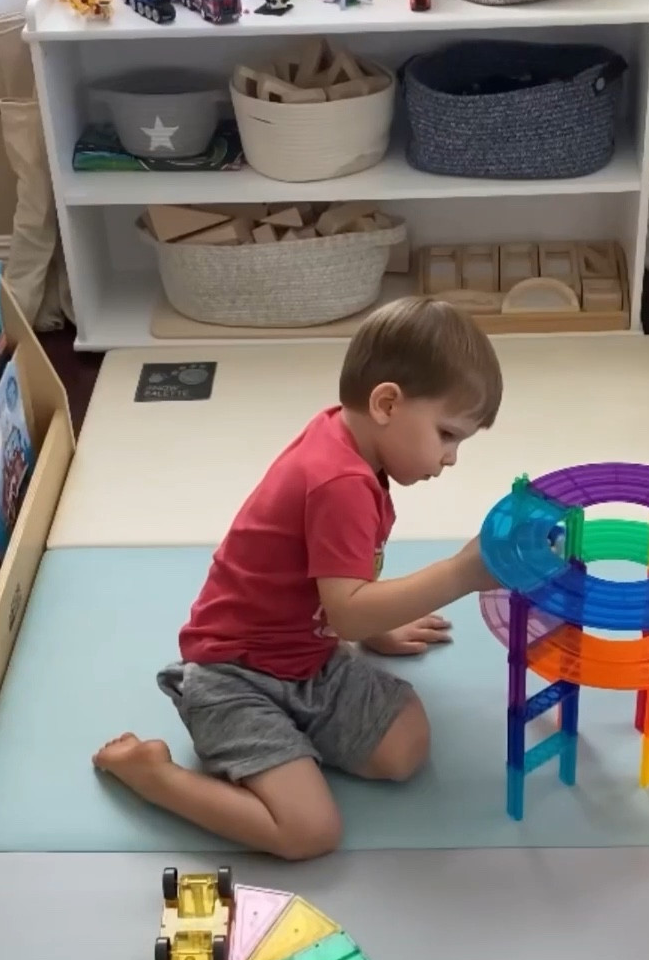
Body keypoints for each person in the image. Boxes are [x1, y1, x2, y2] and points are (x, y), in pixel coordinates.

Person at [94, 297, 501, 860]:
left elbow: (337, 585)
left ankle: (282, 749)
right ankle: (154, 776)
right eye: (447, 434)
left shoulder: (352, 443)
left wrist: (370, 631)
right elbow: (348, 608)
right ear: (387, 403)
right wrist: (461, 574)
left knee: (406, 746)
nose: (451, 457)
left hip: (308, 654)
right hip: (232, 671)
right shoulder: (338, 482)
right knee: (310, 833)